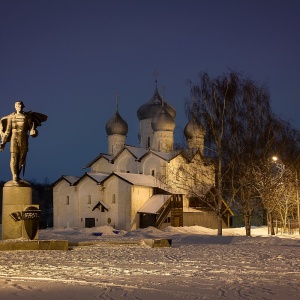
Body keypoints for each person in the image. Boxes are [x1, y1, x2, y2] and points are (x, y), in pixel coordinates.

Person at [0, 101, 47, 184]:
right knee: (14, 157)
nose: (19, 107)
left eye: (20, 105)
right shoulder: (11, 117)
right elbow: (8, 131)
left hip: (24, 138)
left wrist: (34, 131)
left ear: (23, 106)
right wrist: (3, 142)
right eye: (17, 105)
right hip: (14, 138)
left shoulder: (27, 117)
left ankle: (17, 175)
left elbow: (33, 132)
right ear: (15, 107)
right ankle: (14, 176)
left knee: (22, 158)